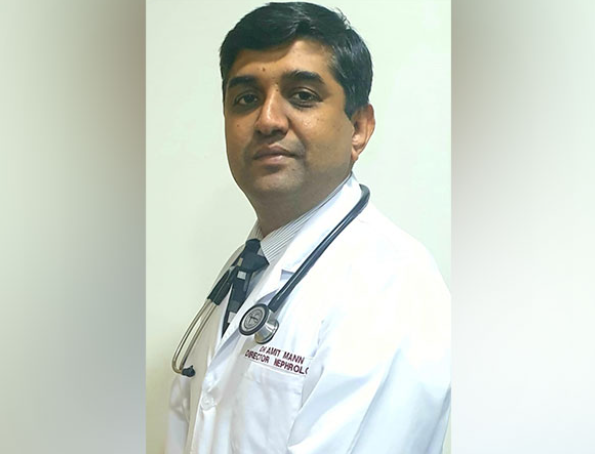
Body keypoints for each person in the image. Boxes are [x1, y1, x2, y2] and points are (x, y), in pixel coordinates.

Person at [166, 2, 450, 453]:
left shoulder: (392, 284)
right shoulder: (248, 268)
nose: (267, 120)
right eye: (246, 99)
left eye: (302, 96)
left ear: (358, 128)